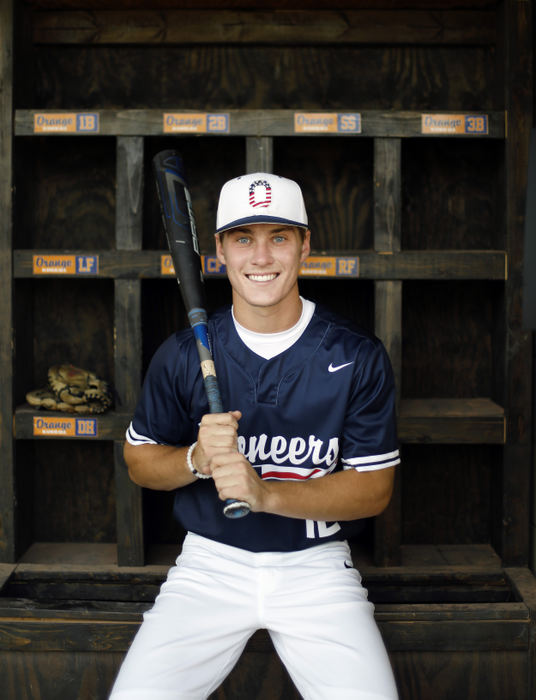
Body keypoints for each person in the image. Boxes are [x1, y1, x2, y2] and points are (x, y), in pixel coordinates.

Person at [110, 172, 400, 699]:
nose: (261, 257)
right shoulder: (182, 354)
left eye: (279, 237)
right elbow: (139, 461)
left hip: (317, 568)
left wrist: (266, 494)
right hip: (210, 563)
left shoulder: (355, 355)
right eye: (244, 238)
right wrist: (197, 458)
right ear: (219, 249)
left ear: (305, 245)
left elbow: (373, 490)